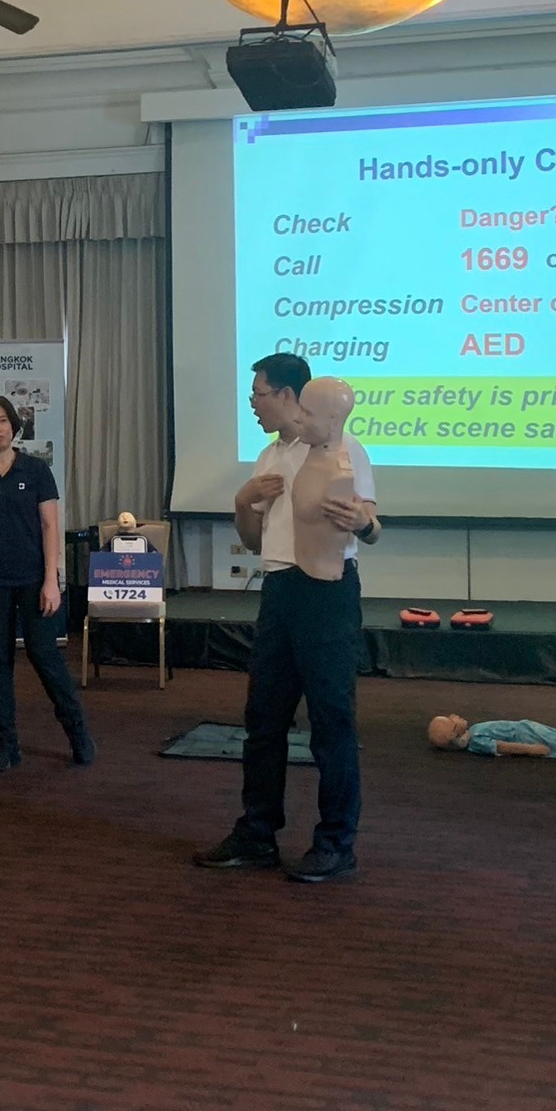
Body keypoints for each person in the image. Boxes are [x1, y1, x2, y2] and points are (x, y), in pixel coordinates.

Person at [194, 353, 379, 883]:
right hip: (278, 590)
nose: (252, 404)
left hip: (328, 594)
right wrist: (242, 503)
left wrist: (363, 522)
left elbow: (369, 525)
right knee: (264, 718)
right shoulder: (268, 457)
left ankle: (336, 843)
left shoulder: (346, 449)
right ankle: (257, 834)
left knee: (332, 720)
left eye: (258, 394)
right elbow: (254, 541)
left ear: (288, 397)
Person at [0, 394, 94, 772]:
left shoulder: (36, 470)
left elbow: (50, 526)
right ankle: (6, 745)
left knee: (45, 655)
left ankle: (78, 734)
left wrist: (51, 580)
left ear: (13, 425)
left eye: (1, 421)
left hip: (34, 579)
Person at [428, 715, 556, 756]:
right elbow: (502, 746)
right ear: (453, 734)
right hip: (526, 735)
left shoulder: (473, 732)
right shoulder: (476, 740)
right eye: (451, 720)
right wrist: (531, 749)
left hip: (526, 729)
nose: (454, 716)